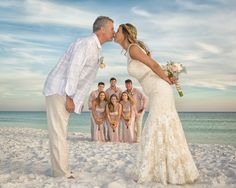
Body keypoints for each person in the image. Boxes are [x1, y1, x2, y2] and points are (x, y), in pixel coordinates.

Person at [114, 23, 199, 184]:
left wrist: (167, 78)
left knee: (158, 125)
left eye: (117, 31)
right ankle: (163, 170)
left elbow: (153, 64)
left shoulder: (133, 48)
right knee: (162, 126)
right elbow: (153, 67)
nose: (114, 34)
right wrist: (166, 75)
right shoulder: (130, 51)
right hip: (155, 91)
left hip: (160, 90)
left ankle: (167, 171)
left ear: (125, 33)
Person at [43, 16, 114, 178]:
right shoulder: (87, 43)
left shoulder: (95, 47)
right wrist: (69, 97)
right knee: (58, 133)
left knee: (61, 132)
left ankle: (61, 168)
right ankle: (61, 172)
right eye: (112, 28)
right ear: (101, 29)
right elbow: (74, 69)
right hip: (59, 90)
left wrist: (76, 100)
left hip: (65, 91)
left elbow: (82, 76)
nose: (114, 32)